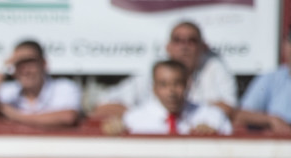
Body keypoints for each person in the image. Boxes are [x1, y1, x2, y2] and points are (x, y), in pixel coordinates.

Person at [94, 21, 236, 121]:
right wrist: (147, 116)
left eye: (191, 41)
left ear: (203, 46)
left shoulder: (216, 68)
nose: (184, 46)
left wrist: (188, 114)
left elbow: (229, 110)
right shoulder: (154, 71)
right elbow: (104, 107)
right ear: (168, 46)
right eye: (178, 40)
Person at [0, 40, 81, 128]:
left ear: (43, 64)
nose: (25, 71)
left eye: (30, 63)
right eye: (19, 64)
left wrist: (15, 116)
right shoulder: (8, 91)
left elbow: (68, 117)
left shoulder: (64, 87)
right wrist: (3, 67)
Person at [119, 60, 232, 135]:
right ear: (154, 88)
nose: (171, 91)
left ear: (188, 85)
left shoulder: (213, 117)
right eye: (164, 84)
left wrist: (213, 137)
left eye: (177, 83)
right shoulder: (133, 120)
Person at [234, 29, 291, 134]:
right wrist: (271, 120)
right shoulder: (271, 79)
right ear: (284, 45)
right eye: (290, 40)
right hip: (277, 148)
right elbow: (239, 116)